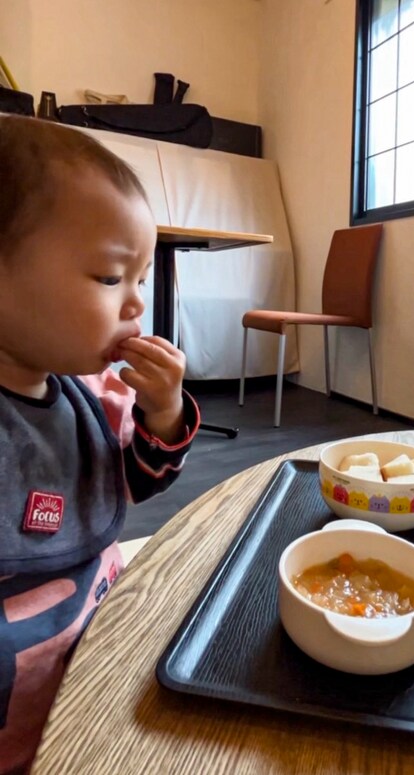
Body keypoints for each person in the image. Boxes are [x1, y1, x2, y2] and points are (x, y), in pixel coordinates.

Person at [0, 115, 201, 773]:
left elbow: (138, 477)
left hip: (93, 652)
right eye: (112, 278)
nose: (137, 304)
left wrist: (163, 410)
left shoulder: (93, 393)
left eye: (140, 280)